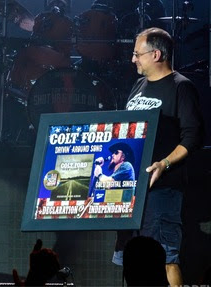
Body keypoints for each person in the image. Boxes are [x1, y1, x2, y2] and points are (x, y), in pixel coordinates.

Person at [114, 27, 203, 286]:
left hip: (162, 190)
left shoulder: (181, 87)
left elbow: (193, 138)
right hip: (130, 190)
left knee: (166, 257)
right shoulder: (138, 85)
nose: (133, 60)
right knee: (131, 259)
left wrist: (163, 164)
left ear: (156, 54)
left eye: (137, 54)